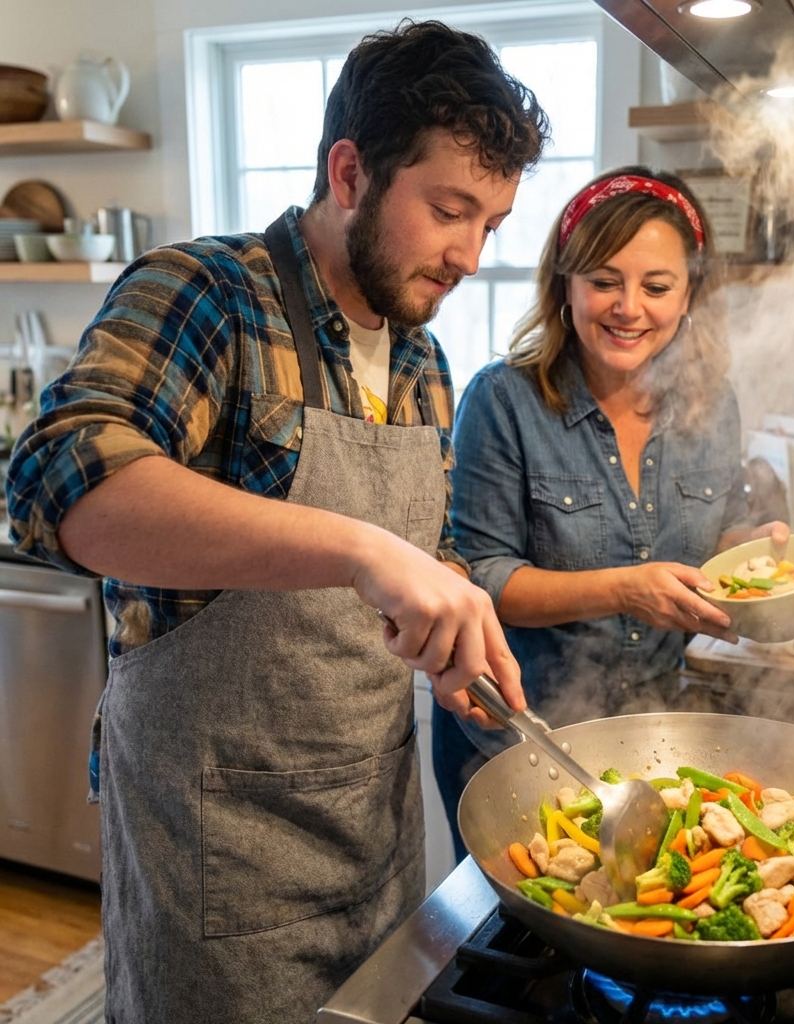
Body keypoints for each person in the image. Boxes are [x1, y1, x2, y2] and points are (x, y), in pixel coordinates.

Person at [5, 21, 547, 1024]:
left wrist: (452, 615)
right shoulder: (207, 293)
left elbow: (414, 553)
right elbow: (59, 482)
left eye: (492, 223)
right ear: (351, 171)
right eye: (449, 211)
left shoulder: (423, 363)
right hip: (213, 867)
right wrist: (358, 546)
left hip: (369, 847)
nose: (471, 254)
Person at [433, 167, 788, 857]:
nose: (629, 307)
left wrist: (756, 555)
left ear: (689, 295)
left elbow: (712, 537)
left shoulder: (712, 405)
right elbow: (483, 579)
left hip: (657, 735)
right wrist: (626, 589)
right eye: (603, 280)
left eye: (656, 286)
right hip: (523, 745)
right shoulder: (502, 401)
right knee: (521, 946)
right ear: (565, 285)